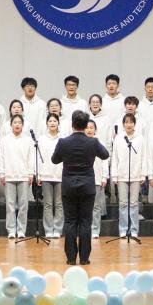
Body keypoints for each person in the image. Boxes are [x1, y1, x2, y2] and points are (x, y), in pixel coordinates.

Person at [52, 110, 110, 265]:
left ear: (72, 124)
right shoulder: (93, 142)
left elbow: (54, 160)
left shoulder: (63, 142)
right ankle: (84, 258)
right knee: (85, 222)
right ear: (86, 126)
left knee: (70, 221)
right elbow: (105, 155)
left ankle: (71, 258)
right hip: (87, 187)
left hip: (68, 186)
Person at [112, 113, 146, 238]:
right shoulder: (118, 138)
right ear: (123, 124)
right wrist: (114, 175)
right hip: (121, 175)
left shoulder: (140, 138)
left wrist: (143, 174)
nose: (129, 124)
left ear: (134, 124)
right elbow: (115, 157)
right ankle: (123, 229)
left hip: (136, 175)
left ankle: (134, 230)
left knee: (134, 203)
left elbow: (144, 157)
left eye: (131, 122)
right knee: (123, 203)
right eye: (126, 122)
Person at [0, 114, 32, 239]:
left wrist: (31, 173)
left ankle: (21, 229)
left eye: (19, 122)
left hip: (24, 176)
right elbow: (1, 157)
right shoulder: (5, 140)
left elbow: (31, 158)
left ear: (22, 125)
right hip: (9, 175)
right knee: (10, 205)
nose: (17, 124)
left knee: (23, 205)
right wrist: (1, 173)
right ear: (11, 125)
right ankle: (11, 230)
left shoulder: (28, 140)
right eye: (15, 122)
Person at [38, 113, 65, 238]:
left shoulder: (63, 139)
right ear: (46, 123)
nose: (52, 123)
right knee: (48, 204)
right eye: (50, 121)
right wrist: (39, 174)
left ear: (58, 123)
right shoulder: (42, 139)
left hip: (60, 175)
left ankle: (58, 229)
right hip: (46, 175)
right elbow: (39, 158)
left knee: (59, 204)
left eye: (55, 121)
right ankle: (48, 229)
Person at [86, 119, 108, 239]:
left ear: (95, 130)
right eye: (87, 127)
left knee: (96, 206)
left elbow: (105, 161)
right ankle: (85, 229)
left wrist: (104, 177)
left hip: (97, 178)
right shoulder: (81, 142)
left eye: (91, 128)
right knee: (84, 207)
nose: (89, 130)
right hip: (83, 179)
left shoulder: (100, 143)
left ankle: (95, 230)